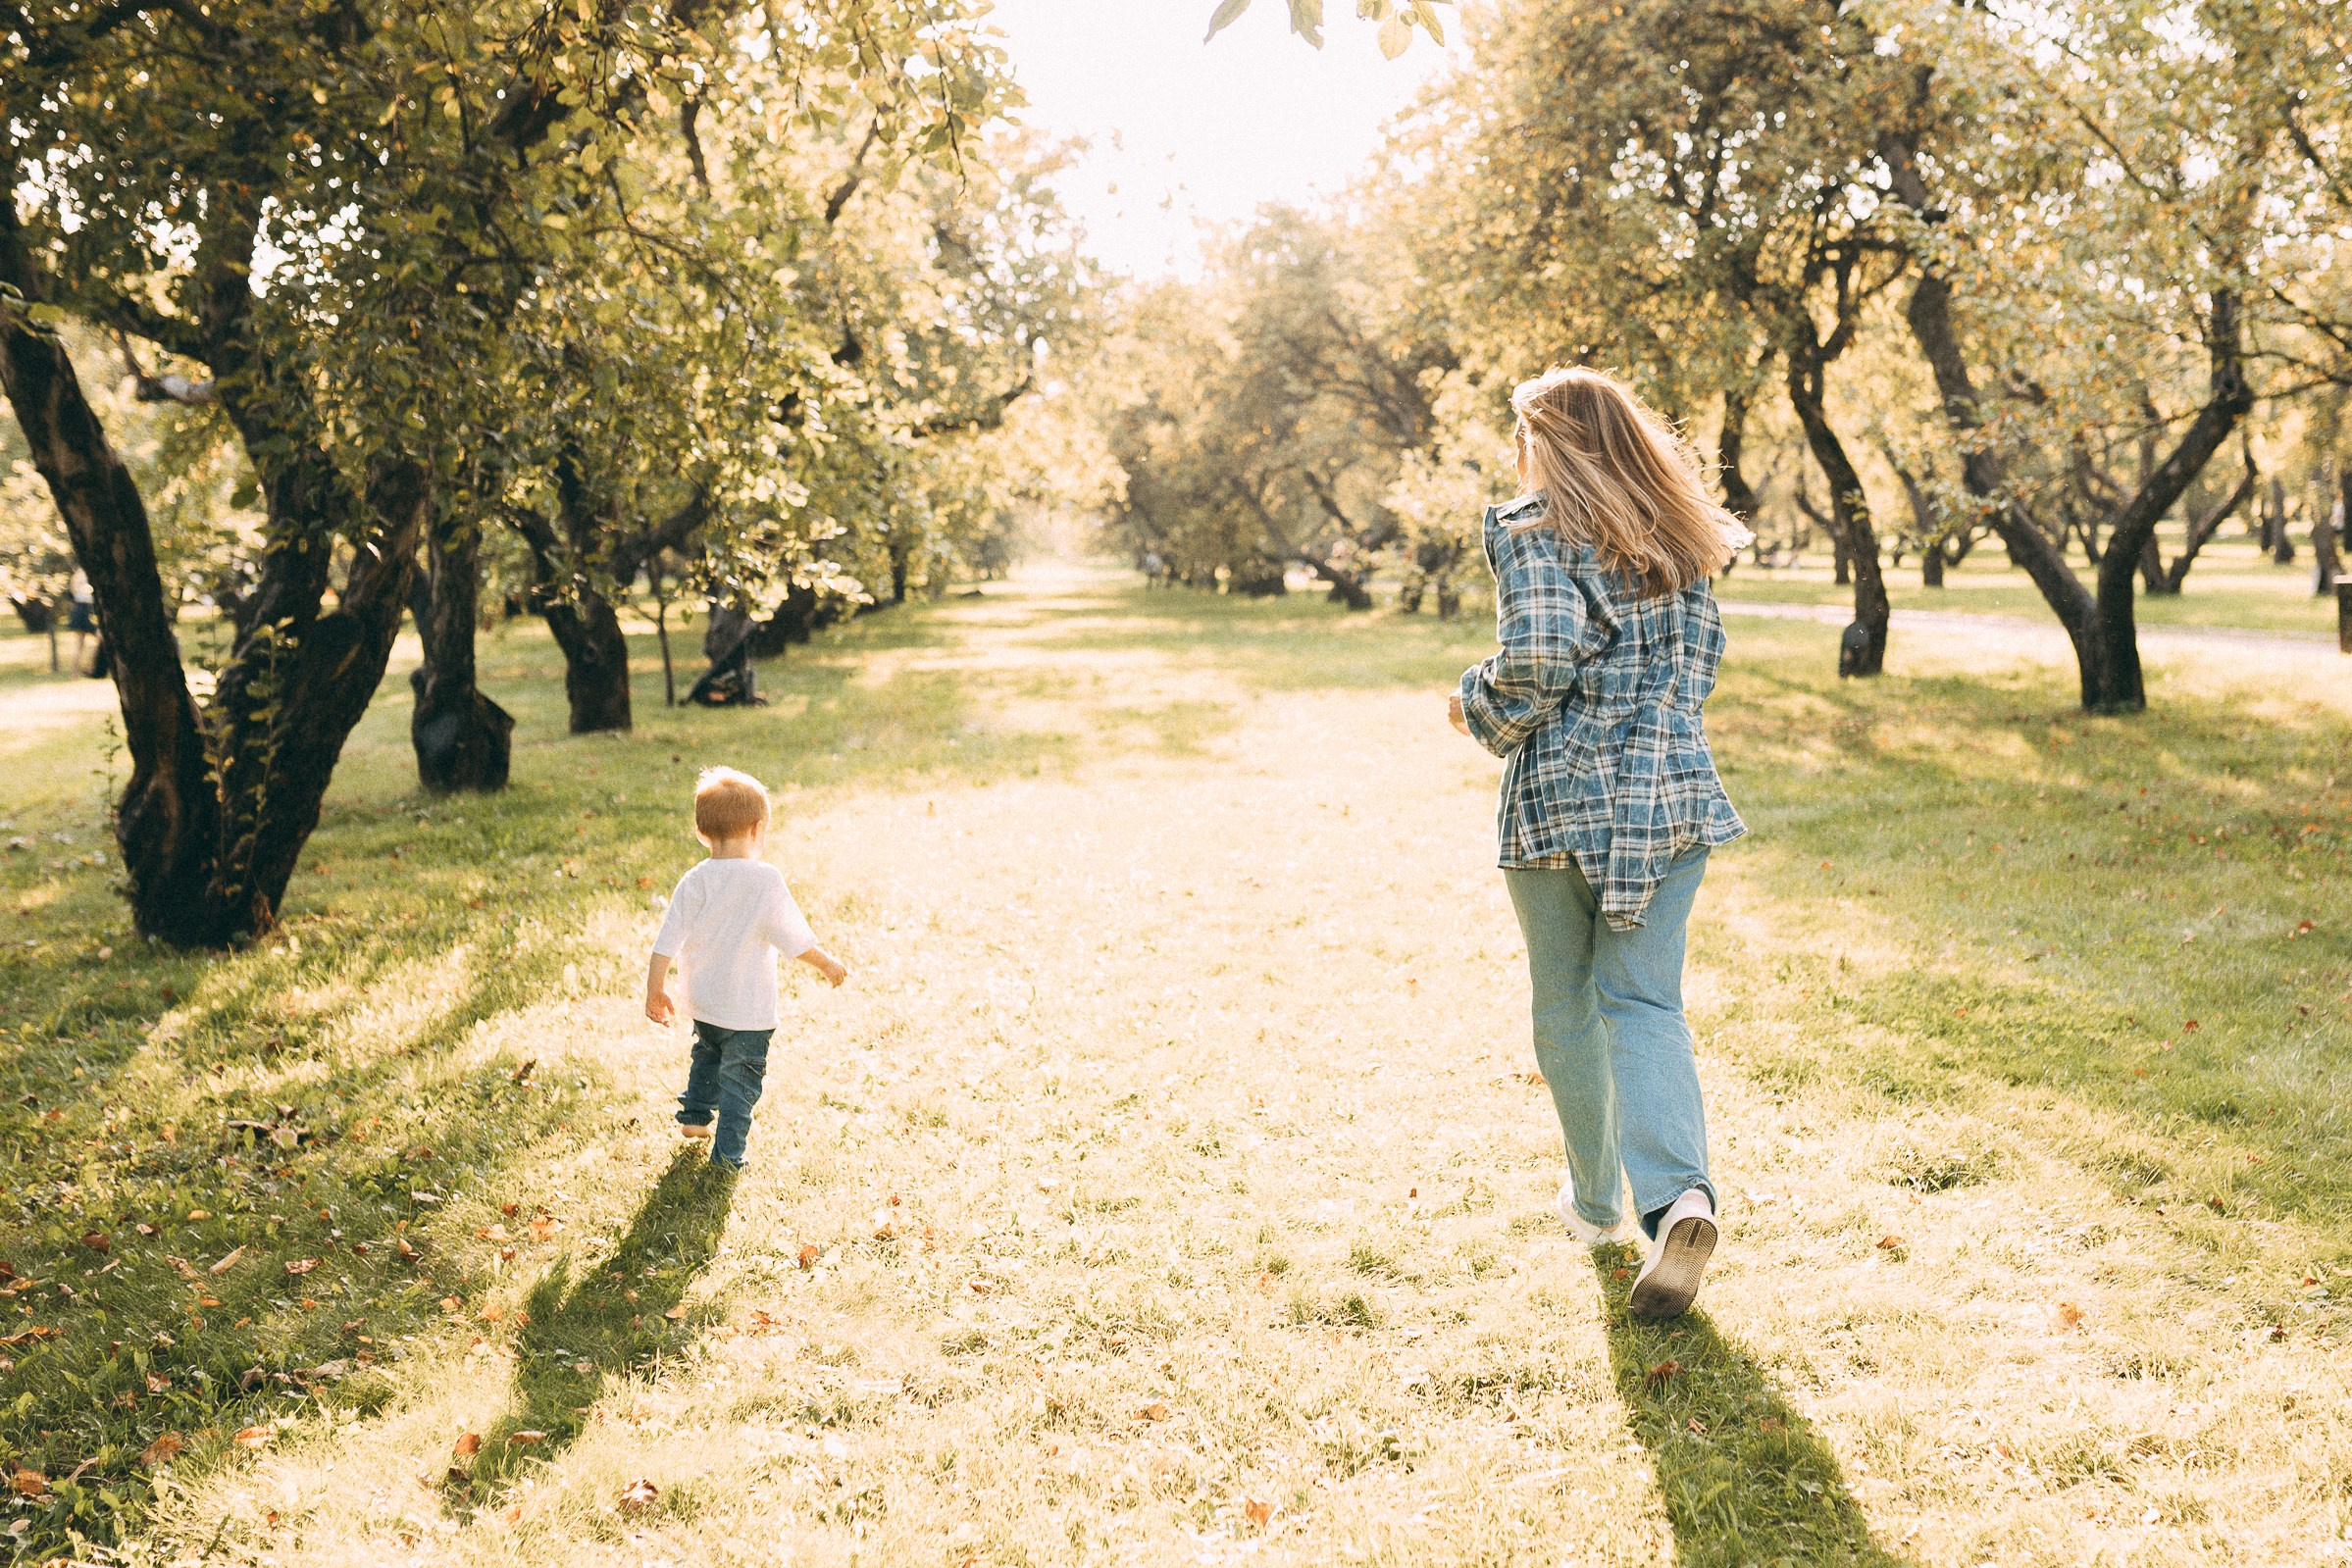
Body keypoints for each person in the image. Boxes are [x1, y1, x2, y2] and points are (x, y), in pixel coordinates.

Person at [1447, 366, 1752, 1321]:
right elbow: (1697, 663)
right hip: (1673, 799)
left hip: (1565, 804)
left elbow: (1540, 652)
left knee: (1566, 1007)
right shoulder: (1683, 534)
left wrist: (1474, 703)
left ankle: (1594, 1203)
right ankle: (1679, 1201)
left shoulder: (1532, 528)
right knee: (1644, 1002)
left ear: (1545, 440)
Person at [644, 767, 848, 1171]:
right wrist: (826, 963)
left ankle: (694, 1117)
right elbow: (793, 938)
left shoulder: (694, 880)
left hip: (704, 1003)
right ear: (757, 829)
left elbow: (666, 942)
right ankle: (727, 1157)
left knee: (707, 1055)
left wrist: (655, 989)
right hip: (748, 1011)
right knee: (740, 1083)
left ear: (701, 832)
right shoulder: (765, 880)